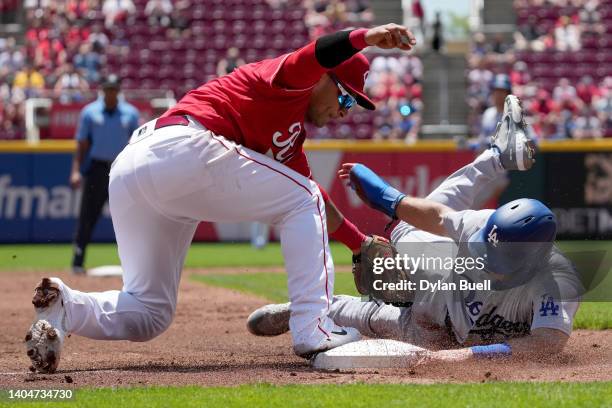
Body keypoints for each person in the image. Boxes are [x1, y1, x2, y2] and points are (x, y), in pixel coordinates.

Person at [25, 24, 417, 373]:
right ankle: (314, 328)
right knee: (303, 199)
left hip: (135, 169)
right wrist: (365, 38)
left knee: (149, 313)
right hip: (182, 145)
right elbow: (318, 51)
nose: (345, 113)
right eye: (346, 99)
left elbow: (314, 205)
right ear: (323, 79)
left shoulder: (291, 138)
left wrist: (359, 242)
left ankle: (65, 307)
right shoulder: (290, 80)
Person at [248, 95, 582, 362]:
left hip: (451, 335)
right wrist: (389, 200)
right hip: (438, 285)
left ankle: (320, 308)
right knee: (407, 233)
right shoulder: (480, 225)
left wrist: (463, 357)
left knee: (377, 320)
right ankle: (497, 157)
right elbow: (437, 215)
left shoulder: (557, 282)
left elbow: (545, 345)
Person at [69, 74, 140, 275]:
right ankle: (77, 261)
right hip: (98, 169)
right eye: (107, 88)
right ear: (102, 90)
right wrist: (75, 171)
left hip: (122, 169)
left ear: (118, 90)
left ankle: (137, 265)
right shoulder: (90, 112)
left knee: (131, 216)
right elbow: (82, 145)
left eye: (113, 88)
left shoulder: (130, 113)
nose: (110, 92)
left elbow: (136, 145)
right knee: (87, 217)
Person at [479, 74, 512, 145]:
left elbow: (531, 141)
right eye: (496, 91)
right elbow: (482, 140)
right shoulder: (488, 113)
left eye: (502, 91)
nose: (499, 95)